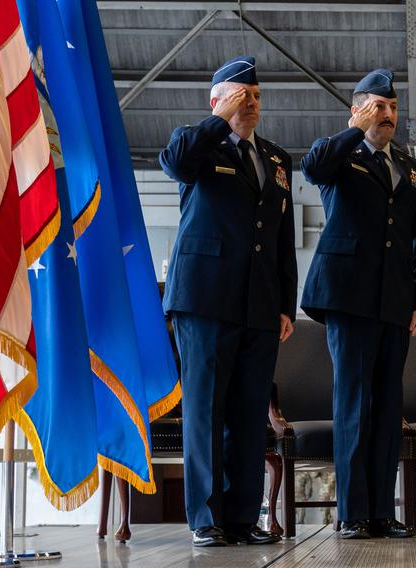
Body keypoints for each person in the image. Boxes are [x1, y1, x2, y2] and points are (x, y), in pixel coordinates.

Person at [158, 56, 297, 547]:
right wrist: (219, 121)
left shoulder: (276, 159)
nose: (251, 103)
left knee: (247, 411)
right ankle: (205, 518)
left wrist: (285, 303)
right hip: (205, 299)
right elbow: (175, 164)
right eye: (240, 95)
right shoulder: (195, 144)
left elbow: (282, 238)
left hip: (259, 305)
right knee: (205, 410)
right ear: (215, 100)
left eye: (256, 95)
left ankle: (242, 516)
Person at [300, 68, 416, 539]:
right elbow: (313, 168)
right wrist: (357, 127)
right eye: (378, 106)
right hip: (350, 298)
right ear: (357, 110)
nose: (388, 115)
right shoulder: (340, 154)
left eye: (393, 107)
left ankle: (381, 510)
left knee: (386, 407)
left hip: (395, 303)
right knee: (355, 404)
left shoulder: (412, 170)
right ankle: (354, 513)